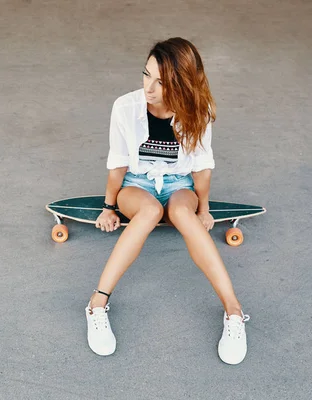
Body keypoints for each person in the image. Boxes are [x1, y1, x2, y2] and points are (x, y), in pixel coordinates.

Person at [85, 37, 250, 365]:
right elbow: (118, 162)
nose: (149, 87)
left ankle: (234, 312)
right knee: (148, 211)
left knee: (181, 214)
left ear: (183, 84)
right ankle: (97, 304)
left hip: (179, 185)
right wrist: (108, 206)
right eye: (146, 75)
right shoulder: (125, 107)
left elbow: (202, 168)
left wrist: (203, 209)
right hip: (136, 184)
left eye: (161, 82)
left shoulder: (197, 112)